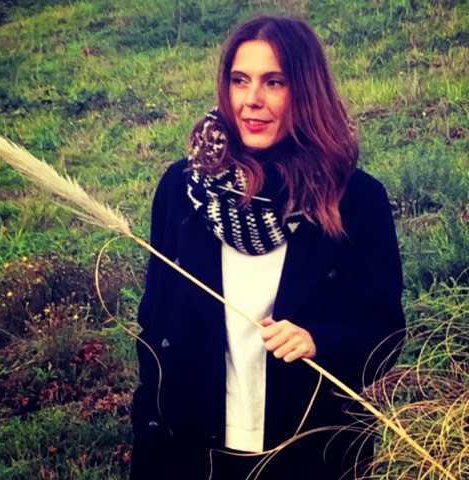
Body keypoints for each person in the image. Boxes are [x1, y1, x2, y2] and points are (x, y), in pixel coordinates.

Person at [130, 15, 405, 480]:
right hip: (189, 449)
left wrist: (319, 341)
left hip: (307, 452)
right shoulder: (184, 188)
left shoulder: (354, 199)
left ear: (306, 92)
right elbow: (154, 321)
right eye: (240, 80)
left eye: (273, 82)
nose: (251, 100)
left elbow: (385, 331)